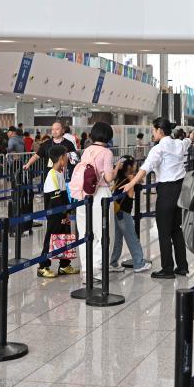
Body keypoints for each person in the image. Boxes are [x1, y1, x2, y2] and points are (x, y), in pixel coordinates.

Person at [122, 117, 191, 279]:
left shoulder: (158, 149)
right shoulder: (178, 144)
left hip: (166, 191)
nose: (152, 133)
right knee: (176, 229)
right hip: (180, 190)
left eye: (153, 130)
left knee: (164, 231)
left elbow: (145, 169)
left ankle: (167, 269)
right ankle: (182, 266)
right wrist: (190, 137)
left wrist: (131, 183)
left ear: (160, 130)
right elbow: (187, 141)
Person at [70, 121, 116, 286]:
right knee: (103, 233)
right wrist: (116, 169)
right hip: (101, 195)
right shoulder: (107, 152)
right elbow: (108, 178)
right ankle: (96, 269)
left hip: (84, 196)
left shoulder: (87, 151)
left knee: (85, 233)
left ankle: (86, 270)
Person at [36, 144, 79, 278]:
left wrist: (67, 213)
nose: (67, 158)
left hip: (62, 213)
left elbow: (64, 195)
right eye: (66, 156)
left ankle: (64, 265)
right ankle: (43, 266)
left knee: (64, 237)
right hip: (54, 214)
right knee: (51, 238)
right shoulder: (52, 175)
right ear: (61, 158)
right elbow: (56, 199)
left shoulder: (60, 173)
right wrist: (62, 214)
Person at [108, 156, 151, 273]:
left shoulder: (119, 178)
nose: (136, 166)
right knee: (131, 237)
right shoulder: (130, 179)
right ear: (129, 167)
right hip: (124, 212)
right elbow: (131, 194)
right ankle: (139, 263)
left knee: (117, 238)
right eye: (134, 164)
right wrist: (133, 179)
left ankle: (112, 263)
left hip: (116, 211)